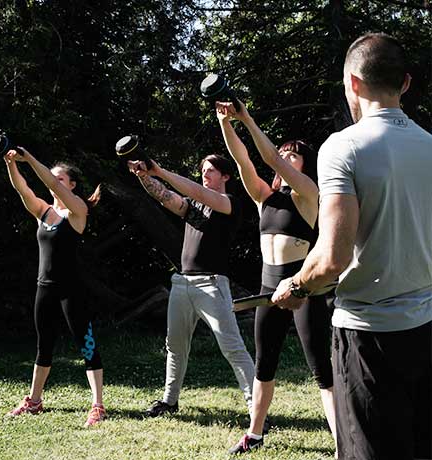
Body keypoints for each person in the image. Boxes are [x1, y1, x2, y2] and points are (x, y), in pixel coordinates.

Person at [272, 32, 432, 460]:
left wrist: (296, 287)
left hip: (368, 338)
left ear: (354, 83)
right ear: (405, 83)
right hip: (426, 330)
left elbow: (331, 259)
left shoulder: (343, 147)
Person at [216, 102, 337, 455]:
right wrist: (227, 124)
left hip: (303, 289)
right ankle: (254, 433)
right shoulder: (264, 198)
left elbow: (271, 159)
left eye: (292, 156)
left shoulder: (308, 195)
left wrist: (248, 117)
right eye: (284, 152)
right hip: (269, 290)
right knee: (264, 364)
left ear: (303, 165)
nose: (285, 158)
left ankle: (342, 439)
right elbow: (244, 162)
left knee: (321, 370)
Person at [127, 154, 255, 418]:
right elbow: (165, 197)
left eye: (211, 171)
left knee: (233, 348)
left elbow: (194, 189)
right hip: (182, 282)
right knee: (175, 346)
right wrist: (145, 177)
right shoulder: (194, 205)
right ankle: (169, 401)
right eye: (203, 170)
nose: (205, 174)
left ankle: (257, 410)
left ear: (226, 176)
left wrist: (160, 170)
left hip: (212, 284)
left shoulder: (229, 203)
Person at [4, 147, 106, 427]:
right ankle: (34, 401)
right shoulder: (43, 212)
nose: (54, 182)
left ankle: (98, 406)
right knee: (43, 345)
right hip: (44, 288)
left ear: (72, 185)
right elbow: (23, 189)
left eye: (60, 179)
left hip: (71, 290)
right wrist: (11, 163)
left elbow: (48, 182)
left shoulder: (78, 212)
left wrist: (30, 158)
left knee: (86, 345)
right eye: (55, 179)